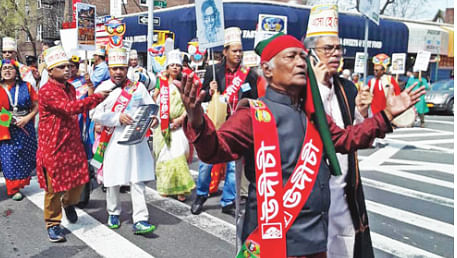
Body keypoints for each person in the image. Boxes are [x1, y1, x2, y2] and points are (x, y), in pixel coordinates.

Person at [178, 33, 424, 257]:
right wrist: (197, 120)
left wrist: (386, 116)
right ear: (267, 69)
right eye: (291, 57)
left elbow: (346, 139)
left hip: (316, 238)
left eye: (302, 57)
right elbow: (215, 150)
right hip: (272, 238)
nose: (300, 63)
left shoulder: (312, 115)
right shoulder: (253, 114)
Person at [304, 5, 374, 257]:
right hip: (310, 192)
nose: (335, 54)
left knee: (345, 246)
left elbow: (352, 136)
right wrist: (320, 88)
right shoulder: (301, 86)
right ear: (311, 53)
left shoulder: (346, 87)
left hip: (343, 189)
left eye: (338, 48)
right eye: (327, 49)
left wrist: (362, 113)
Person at [36, 45, 109, 243]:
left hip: (72, 141)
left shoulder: (69, 87)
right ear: (50, 71)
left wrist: (91, 90)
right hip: (53, 145)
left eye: (69, 66)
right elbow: (69, 108)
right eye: (62, 67)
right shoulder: (47, 91)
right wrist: (96, 98)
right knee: (54, 188)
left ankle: (69, 203)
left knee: (79, 180)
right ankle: (52, 223)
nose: (68, 69)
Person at [191, 27, 259, 216]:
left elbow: (255, 99)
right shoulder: (213, 70)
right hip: (215, 123)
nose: (238, 54)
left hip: (236, 126)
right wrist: (210, 91)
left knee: (233, 166)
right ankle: (201, 194)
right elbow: (201, 98)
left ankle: (228, 200)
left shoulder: (249, 74)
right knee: (206, 163)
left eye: (240, 51)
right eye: (234, 51)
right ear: (225, 51)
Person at [92, 48, 157, 234]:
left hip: (136, 140)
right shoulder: (102, 89)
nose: (118, 72)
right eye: (114, 69)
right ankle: (113, 212)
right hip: (113, 139)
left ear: (127, 67)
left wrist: (154, 119)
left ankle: (141, 219)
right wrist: (116, 118)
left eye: (121, 68)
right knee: (113, 179)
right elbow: (94, 114)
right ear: (109, 69)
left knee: (137, 179)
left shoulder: (138, 87)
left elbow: (151, 109)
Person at [152, 50, 195, 202]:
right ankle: (165, 186)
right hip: (163, 124)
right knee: (164, 156)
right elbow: (154, 99)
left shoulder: (183, 84)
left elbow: (188, 104)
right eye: (172, 65)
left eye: (178, 65)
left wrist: (181, 119)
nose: (175, 68)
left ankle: (181, 189)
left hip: (178, 124)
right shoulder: (161, 82)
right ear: (168, 67)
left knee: (179, 154)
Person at [0, 59, 38, 201]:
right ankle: (12, 188)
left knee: (25, 156)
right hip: (6, 128)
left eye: (10, 68)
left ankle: (21, 182)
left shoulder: (26, 86)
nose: (7, 71)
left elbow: (36, 105)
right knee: (9, 157)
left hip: (25, 126)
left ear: (16, 72)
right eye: (4, 68)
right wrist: (7, 120)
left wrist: (27, 118)